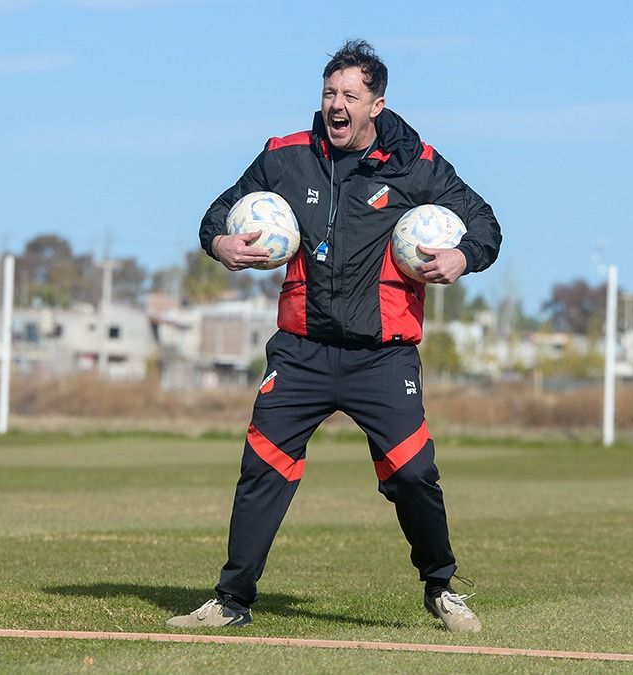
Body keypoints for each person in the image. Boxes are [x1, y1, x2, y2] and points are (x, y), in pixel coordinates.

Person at [166, 39, 502, 631]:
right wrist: (221, 245)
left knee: (413, 473)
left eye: (350, 94)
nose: (335, 105)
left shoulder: (417, 163)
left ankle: (441, 587)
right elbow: (216, 214)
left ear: (377, 103)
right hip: (301, 351)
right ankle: (232, 600)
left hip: (382, 357)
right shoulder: (284, 157)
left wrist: (462, 258)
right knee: (262, 466)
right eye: (328, 93)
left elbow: (486, 225)